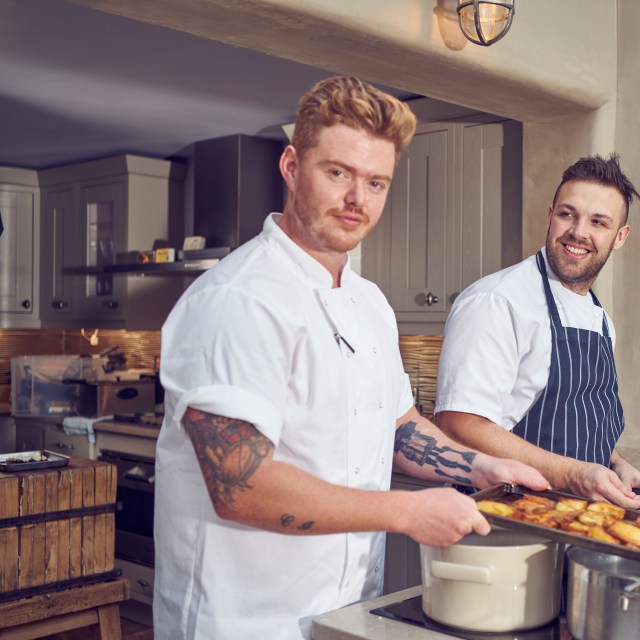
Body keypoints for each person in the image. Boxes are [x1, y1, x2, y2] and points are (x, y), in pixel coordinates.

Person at [153, 76, 548, 640]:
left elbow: (398, 425)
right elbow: (239, 484)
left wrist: (479, 467)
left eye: (376, 182)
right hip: (243, 620)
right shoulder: (237, 300)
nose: (356, 200)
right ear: (291, 165)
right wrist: (407, 513)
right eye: (337, 173)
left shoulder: (369, 303)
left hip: (345, 615)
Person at [435, 153, 640, 509]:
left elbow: (577, 422)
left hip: (575, 519)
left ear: (619, 237)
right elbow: (459, 423)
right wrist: (572, 475)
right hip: (502, 518)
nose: (579, 232)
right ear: (550, 215)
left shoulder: (599, 318)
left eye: (599, 222)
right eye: (568, 214)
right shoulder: (497, 301)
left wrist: (615, 463)